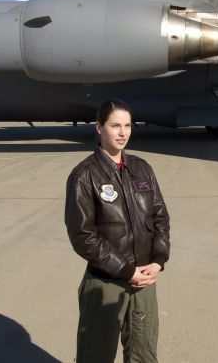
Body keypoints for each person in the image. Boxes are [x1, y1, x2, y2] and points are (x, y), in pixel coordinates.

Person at [65, 99, 170, 363]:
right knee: (95, 356)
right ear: (99, 128)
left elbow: (160, 217)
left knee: (143, 354)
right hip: (106, 282)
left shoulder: (142, 168)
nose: (123, 133)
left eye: (127, 125)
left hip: (144, 280)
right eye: (115, 126)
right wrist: (126, 271)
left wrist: (158, 260)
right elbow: (82, 235)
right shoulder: (85, 175)